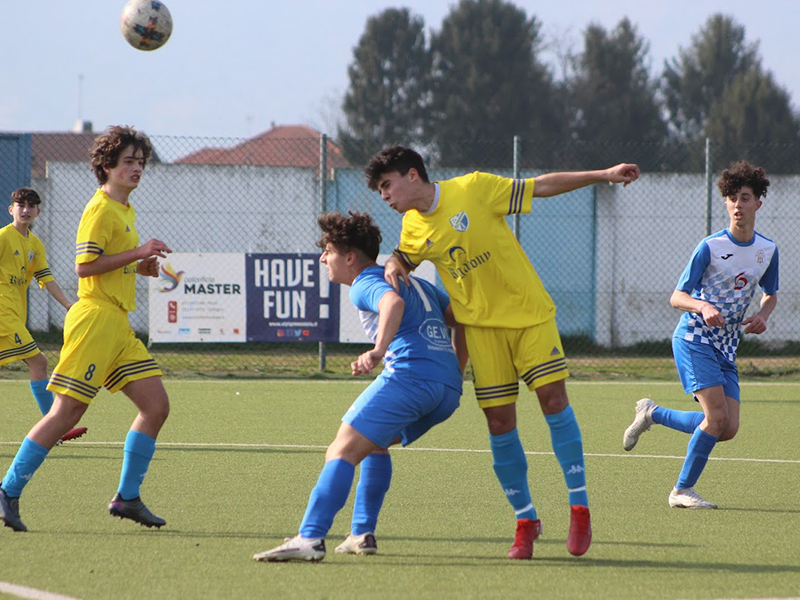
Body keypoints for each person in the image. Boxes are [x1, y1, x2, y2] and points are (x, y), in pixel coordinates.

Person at [365, 146, 640, 559]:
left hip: (529, 314)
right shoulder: (411, 226)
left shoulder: (473, 188)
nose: (384, 195)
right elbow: (405, 257)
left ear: (413, 175)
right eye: (380, 190)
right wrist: (394, 265)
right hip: (481, 331)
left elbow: (540, 186)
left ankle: (579, 508)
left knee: (553, 400)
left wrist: (603, 174)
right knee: (499, 422)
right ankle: (525, 521)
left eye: (387, 185)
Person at [254, 210, 467, 562]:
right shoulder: (419, 284)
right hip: (446, 392)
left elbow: (392, 303)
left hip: (411, 378)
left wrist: (378, 351)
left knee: (341, 450)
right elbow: (462, 319)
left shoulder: (366, 282)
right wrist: (455, 371)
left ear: (350, 257)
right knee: (375, 444)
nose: (323, 258)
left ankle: (310, 537)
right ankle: (361, 533)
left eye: (328, 251)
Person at [0, 126, 173, 532]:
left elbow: (110, 263)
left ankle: (127, 497)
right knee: (66, 412)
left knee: (156, 406)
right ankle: (7, 491)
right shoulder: (100, 209)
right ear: (107, 166)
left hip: (118, 326)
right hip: (94, 320)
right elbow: (84, 267)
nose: (136, 168)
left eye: (140, 162)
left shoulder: (124, 210)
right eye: (128, 161)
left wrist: (139, 266)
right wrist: (138, 251)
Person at [623, 161, 777, 509]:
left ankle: (652, 414)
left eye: (745, 198)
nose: (738, 205)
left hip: (727, 346)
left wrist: (763, 314)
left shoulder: (767, 251)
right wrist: (702, 306)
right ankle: (681, 491)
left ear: (758, 204)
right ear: (725, 203)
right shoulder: (710, 246)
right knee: (717, 419)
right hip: (694, 338)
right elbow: (677, 297)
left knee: (727, 427)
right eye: (732, 198)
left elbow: (770, 294)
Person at [0, 188, 86, 444]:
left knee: (37, 363)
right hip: (4, 313)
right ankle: (54, 427)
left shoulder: (35, 244)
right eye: (21, 205)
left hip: (14, 313)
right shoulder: (3, 237)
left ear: (38, 212)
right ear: (11, 209)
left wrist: (69, 305)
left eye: (31, 206)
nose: (26, 210)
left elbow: (45, 277)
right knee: (38, 361)